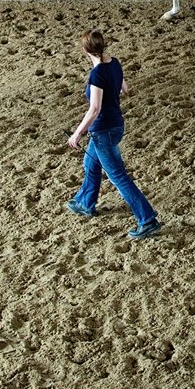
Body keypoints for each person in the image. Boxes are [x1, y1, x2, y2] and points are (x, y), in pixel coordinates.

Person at [65, 29, 163, 240]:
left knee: (118, 176)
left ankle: (147, 219)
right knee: (90, 164)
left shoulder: (97, 74)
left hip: (103, 130)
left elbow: (94, 109)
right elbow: (124, 89)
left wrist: (77, 133)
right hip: (116, 125)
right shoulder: (115, 63)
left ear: (85, 51)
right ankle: (85, 202)